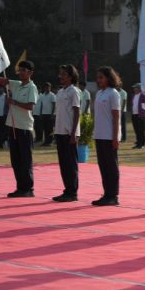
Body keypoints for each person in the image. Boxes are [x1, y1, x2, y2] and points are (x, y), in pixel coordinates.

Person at [0, 61, 38, 197]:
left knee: (25, 160)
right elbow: (0, 80)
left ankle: (28, 189)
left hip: (24, 127)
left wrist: (13, 102)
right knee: (16, 160)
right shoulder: (16, 84)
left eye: (24, 70)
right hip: (13, 126)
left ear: (31, 72)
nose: (20, 73)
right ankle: (20, 188)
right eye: (19, 70)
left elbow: (30, 106)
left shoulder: (32, 87)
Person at [93, 66, 122, 206]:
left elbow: (116, 116)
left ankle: (113, 195)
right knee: (103, 166)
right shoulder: (99, 93)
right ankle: (106, 194)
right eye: (98, 77)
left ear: (109, 78)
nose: (99, 80)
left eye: (101, 77)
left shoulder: (113, 93)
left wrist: (115, 137)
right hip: (99, 135)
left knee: (111, 166)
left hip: (109, 136)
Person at [52, 64, 82, 202]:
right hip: (59, 132)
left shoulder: (73, 91)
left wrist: (73, 133)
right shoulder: (60, 92)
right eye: (60, 74)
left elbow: (76, 112)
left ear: (71, 76)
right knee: (63, 164)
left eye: (64, 74)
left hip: (69, 133)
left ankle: (72, 192)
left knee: (70, 164)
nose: (61, 76)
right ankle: (67, 190)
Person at [130, 83, 145, 149]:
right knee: (137, 130)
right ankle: (138, 143)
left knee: (142, 130)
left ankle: (142, 144)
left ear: (139, 88)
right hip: (134, 115)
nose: (134, 89)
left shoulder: (143, 95)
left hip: (141, 115)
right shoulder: (133, 95)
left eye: (135, 87)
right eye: (134, 88)